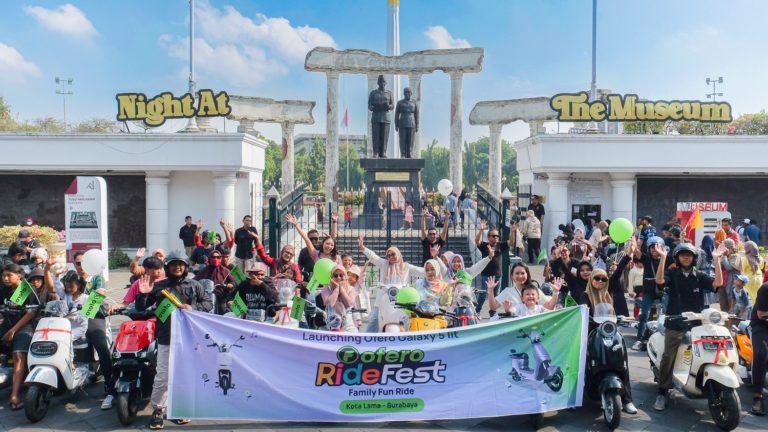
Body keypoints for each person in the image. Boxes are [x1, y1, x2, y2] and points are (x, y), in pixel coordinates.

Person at [135, 251, 212, 430]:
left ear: (186, 267)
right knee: (163, 375)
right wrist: (143, 294)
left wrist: (192, 307)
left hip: (189, 338)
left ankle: (180, 408)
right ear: (167, 267)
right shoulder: (159, 286)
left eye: (181, 264)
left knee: (184, 374)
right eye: (173, 264)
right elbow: (140, 307)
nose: (177, 267)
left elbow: (208, 303)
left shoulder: (195, 285)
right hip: (166, 337)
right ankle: (158, 409)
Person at [653, 242, 723, 411]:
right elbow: (660, 281)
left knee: (711, 350)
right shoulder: (672, 273)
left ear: (694, 258)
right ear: (677, 257)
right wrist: (663, 258)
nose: (686, 257)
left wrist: (716, 259)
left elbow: (718, 283)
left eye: (689, 255)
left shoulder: (699, 275)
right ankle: (662, 391)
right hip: (675, 322)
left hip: (697, 324)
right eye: (683, 254)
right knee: (668, 356)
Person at [580, 264, 638, 414]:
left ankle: (627, 400)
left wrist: (621, 318)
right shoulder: (585, 295)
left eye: (603, 279)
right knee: (582, 361)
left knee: (622, 362)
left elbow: (616, 312)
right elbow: (583, 311)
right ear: (591, 280)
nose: (600, 281)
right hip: (591, 333)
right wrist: (587, 316)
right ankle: (578, 394)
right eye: (597, 278)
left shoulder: (608, 295)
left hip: (610, 333)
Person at [73, 251, 116, 409]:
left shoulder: (97, 278)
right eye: (78, 263)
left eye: (83, 263)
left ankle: (110, 384)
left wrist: (83, 313)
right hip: (73, 317)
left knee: (101, 345)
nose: (81, 266)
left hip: (93, 315)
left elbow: (100, 294)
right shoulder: (72, 277)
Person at [1, 263, 40, 410]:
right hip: (7, 326)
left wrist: (12, 331)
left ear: (19, 276)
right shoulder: (4, 289)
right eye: (3, 275)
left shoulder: (25, 289)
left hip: (25, 327)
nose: (5, 278)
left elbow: (30, 314)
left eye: (9, 275)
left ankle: (14, 396)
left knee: (18, 355)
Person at [631, 236, 672, 350]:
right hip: (648, 292)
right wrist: (633, 238)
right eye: (652, 247)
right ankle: (640, 339)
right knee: (645, 314)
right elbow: (636, 251)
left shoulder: (667, 259)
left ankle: (668, 338)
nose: (654, 249)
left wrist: (682, 240)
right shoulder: (646, 259)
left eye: (657, 246)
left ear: (662, 247)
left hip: (663, 291)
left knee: (669, 315)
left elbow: (679, 259)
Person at [474, 219, 517, 316]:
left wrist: (512, 231)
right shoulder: (485, 246)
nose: (496, 238)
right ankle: (477, 311)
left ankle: (492, 313)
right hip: (486, 275)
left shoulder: (500, 245)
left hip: (497, 275)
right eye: (493, 236)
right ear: (488, 237)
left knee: (496, 296)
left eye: (497, 236)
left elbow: (511, 242)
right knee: (483, 294)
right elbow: (477, 241)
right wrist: (481, 230)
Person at [487, 263, 561, 314]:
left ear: (527, 275)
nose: (520, 276)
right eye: (517, 273)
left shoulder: (535, 291)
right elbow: (493, 306)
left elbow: (549, 307)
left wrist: (556, 292)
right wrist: (490, 290)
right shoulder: (508, 291)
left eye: (522, 273)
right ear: (512, 276)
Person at [317, 265, 358, 332]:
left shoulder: (351, 289)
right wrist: (336, 289)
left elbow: (349, 305)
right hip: (330, 322)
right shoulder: (326, 288)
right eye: (335, 276)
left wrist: (341, 289)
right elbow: (329, 304)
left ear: (346, 277)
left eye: (341, 275)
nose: (338, 278)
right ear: (331, 277)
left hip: (347, 324)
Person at [749, 281, 768, 415]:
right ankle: (758, 396)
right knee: (761, 353)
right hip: (761, 325)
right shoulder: (765, 289)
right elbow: (761, 314)